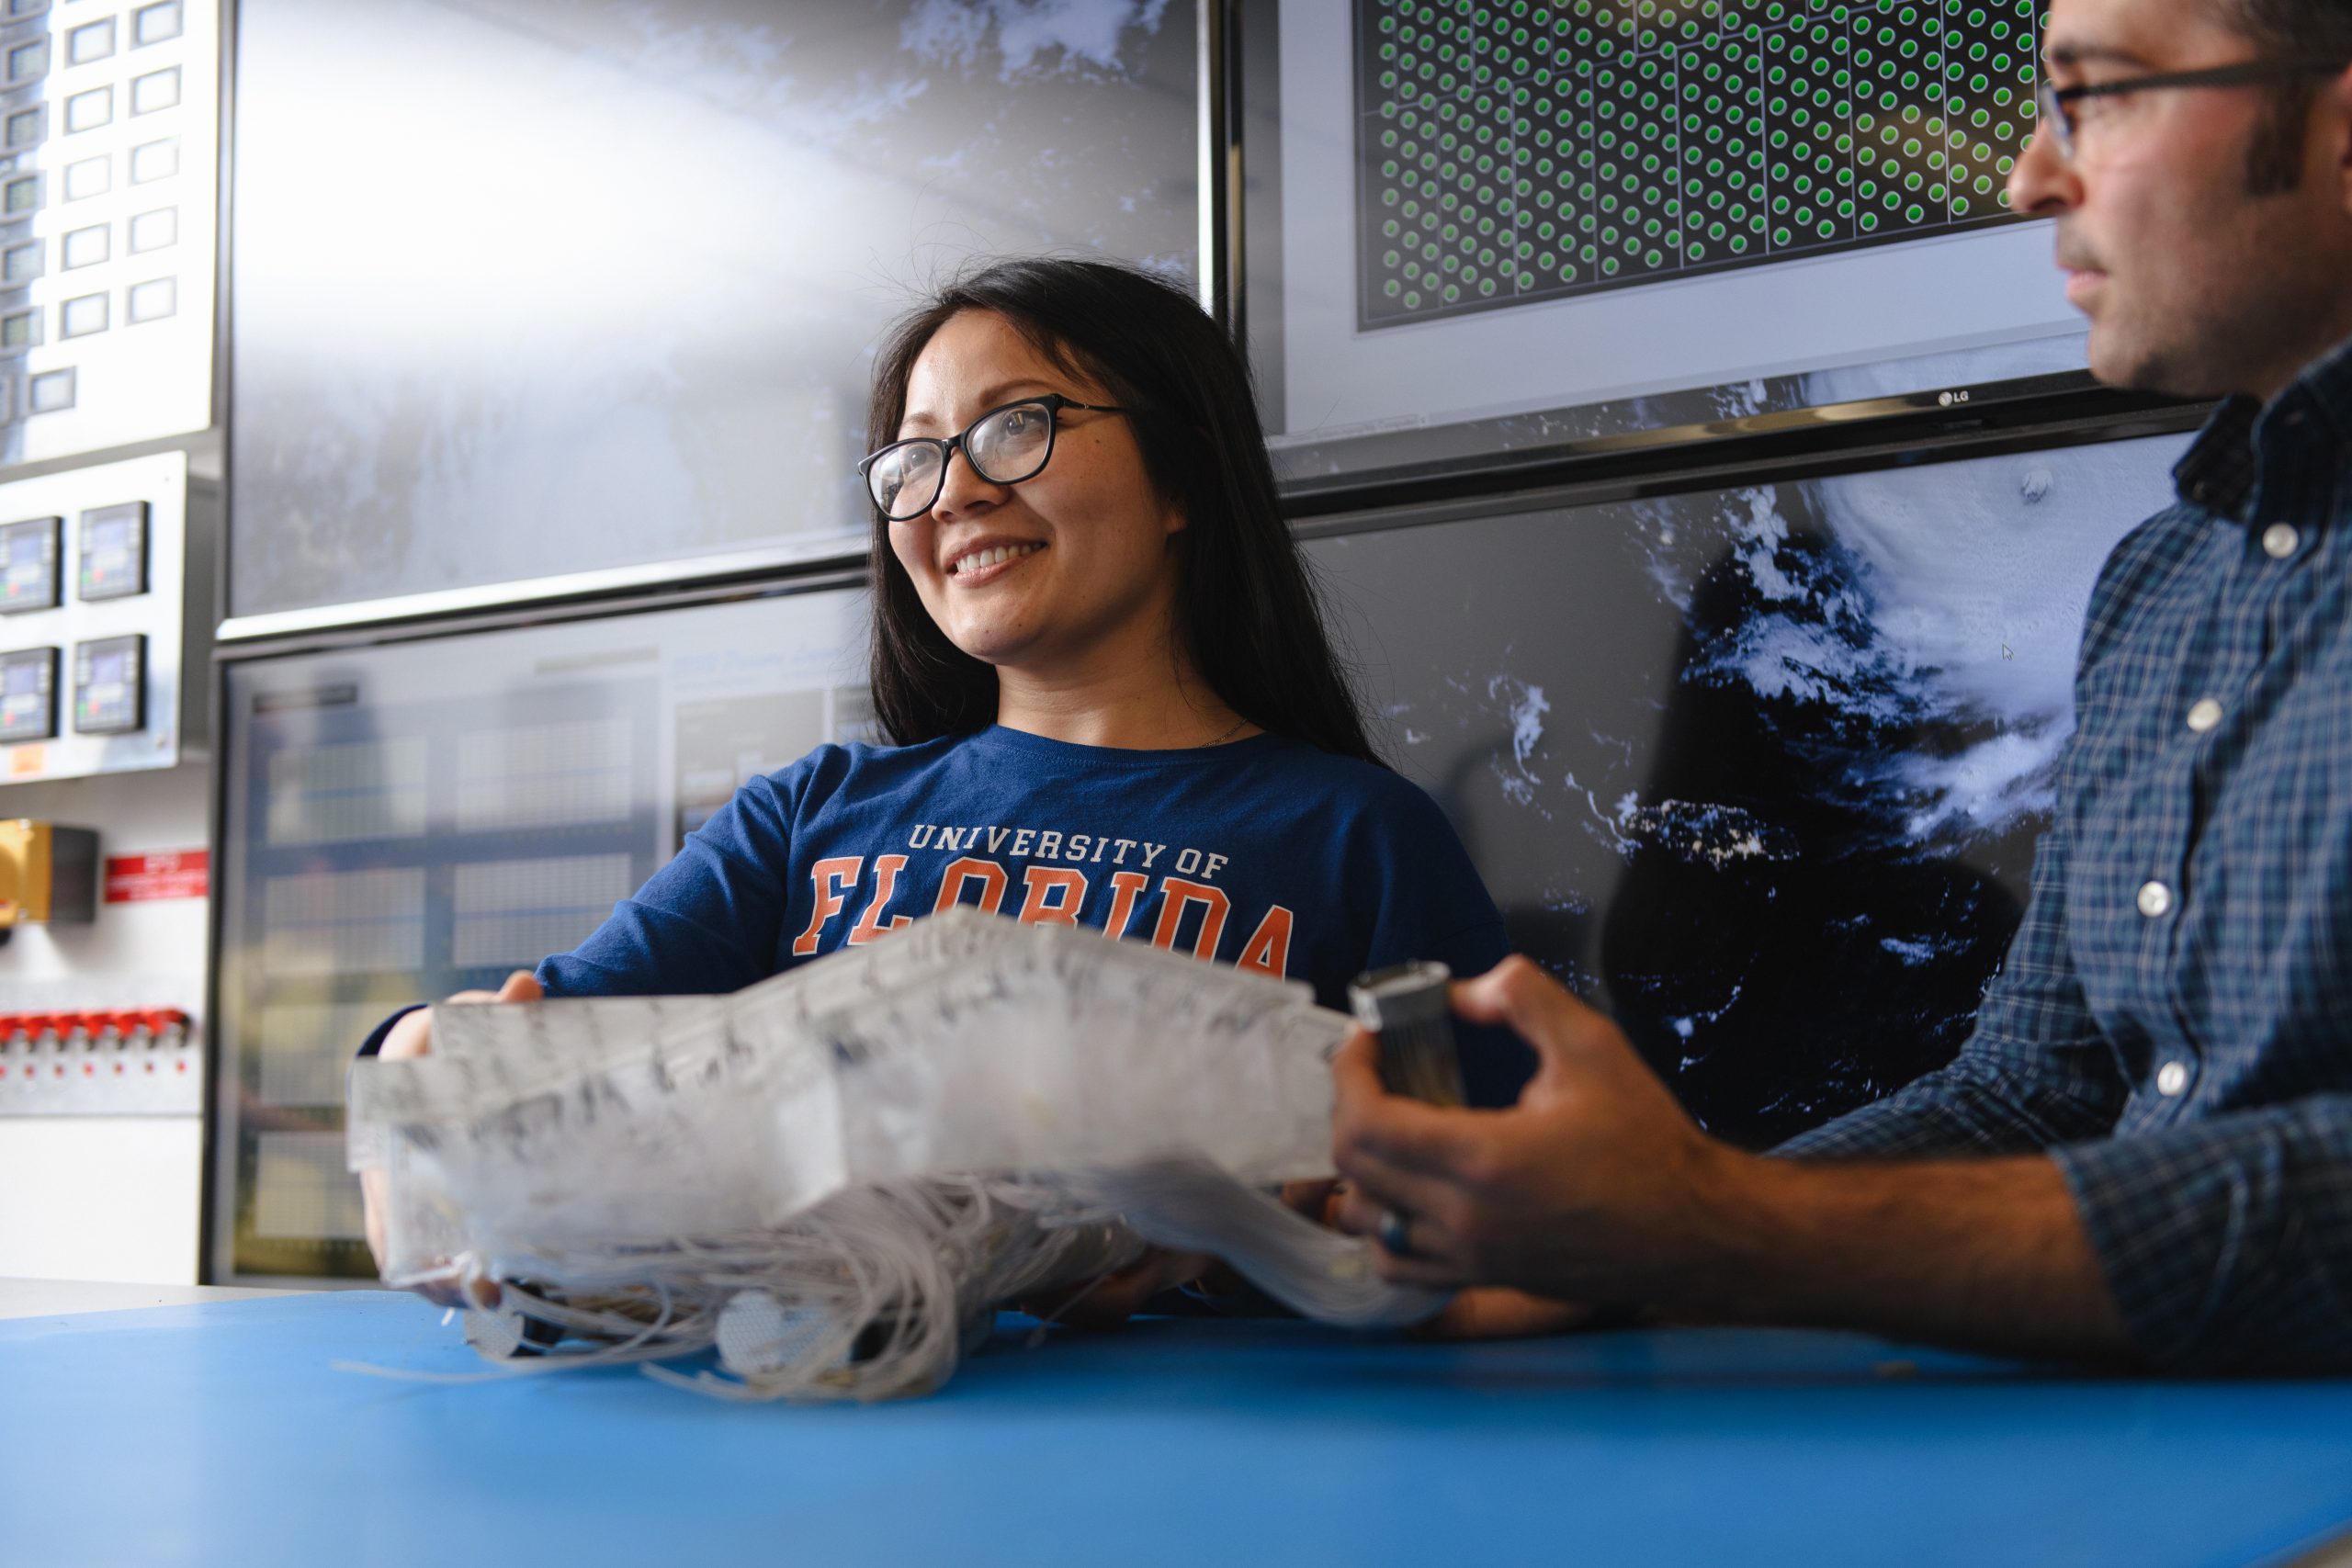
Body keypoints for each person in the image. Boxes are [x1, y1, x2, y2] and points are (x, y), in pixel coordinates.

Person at [1329, 0, 2352, 1370]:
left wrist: (1711, 1226)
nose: (2028, 177)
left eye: (2096, 95)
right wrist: (1596, 1242)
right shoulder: (2162, 585)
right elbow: (2032, 1086)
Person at [359, 257, 1524, 1306]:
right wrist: (422, 1050)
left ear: (1183, 481)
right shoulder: (808, 815)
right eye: (915, 457)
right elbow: (540, 1043)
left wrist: (1346, 1227)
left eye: (1016, 428)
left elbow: (1523, 1228)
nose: (954, 491)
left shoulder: (1354, 835)